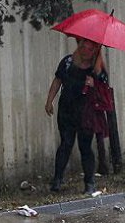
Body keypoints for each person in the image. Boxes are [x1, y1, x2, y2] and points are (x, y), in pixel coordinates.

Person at [45, 37, 105, 194]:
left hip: (86, 113)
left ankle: (89, 182)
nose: (86, 51)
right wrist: (49, 100)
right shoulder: (67, 62)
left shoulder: (96, 69)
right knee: (66, 143)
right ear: (78, 46)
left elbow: (104, 90)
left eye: (90, 49)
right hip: (67, 110)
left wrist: (94, 84)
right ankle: (57, 179)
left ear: (94, 52)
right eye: (83, 47)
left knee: (85, 146)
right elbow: (57, 81)